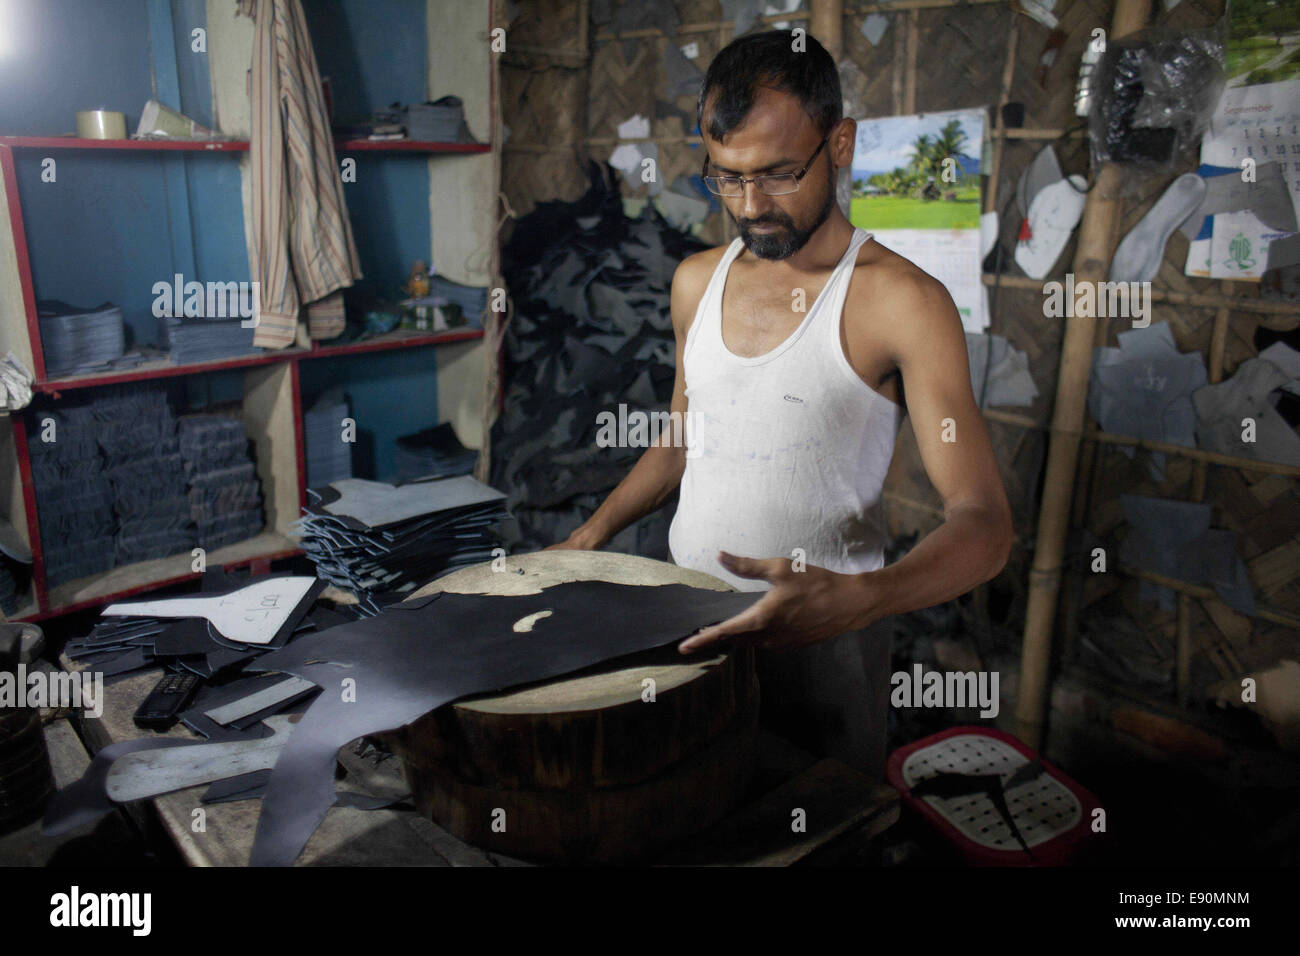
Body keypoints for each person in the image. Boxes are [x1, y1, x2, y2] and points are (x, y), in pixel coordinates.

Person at [550, 30, 1012, 780]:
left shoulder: (903, 303)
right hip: (686, 627)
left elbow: (984, 525)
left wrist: (863, 599)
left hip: (823, 643)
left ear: (840, 144)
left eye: (777, 174)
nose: (751, 205)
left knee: (816, 833)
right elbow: (680, 441)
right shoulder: (696, 281)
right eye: (727, 178)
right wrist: (592, 534)